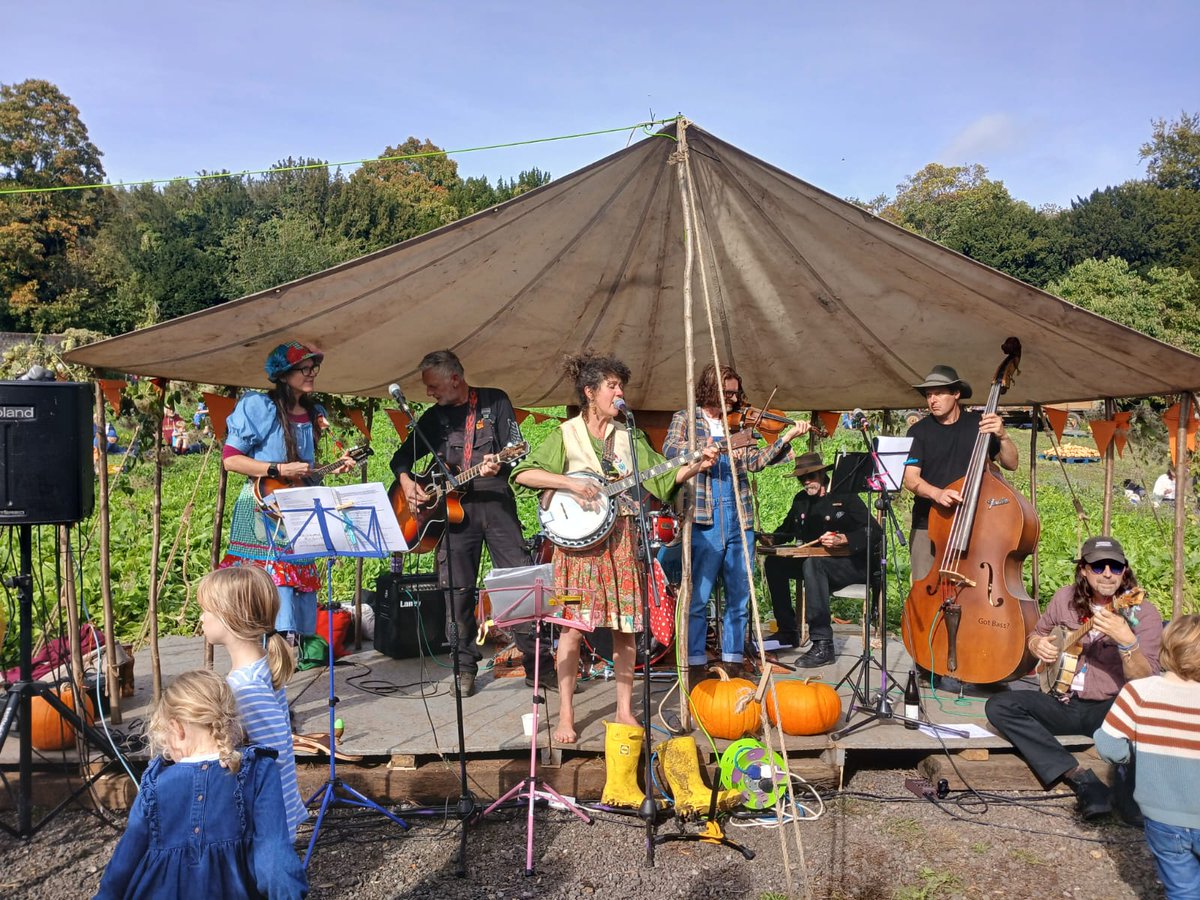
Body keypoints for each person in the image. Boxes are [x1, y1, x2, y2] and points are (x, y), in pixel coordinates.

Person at [512, 352, 719, 743]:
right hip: (575, 553)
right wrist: (570, 484)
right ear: (590, 392)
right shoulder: (566, 433)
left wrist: (695, 464)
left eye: (620, 386)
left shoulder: (630, 435)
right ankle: (567, 716)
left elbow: (662, 479)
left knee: (627, 629)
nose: (619, 392)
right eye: (612, 386)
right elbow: (524, 473)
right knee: (572, 630)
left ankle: (624, 709)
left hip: (623, 542)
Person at [389, 349, 552, 698]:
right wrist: (407, 483)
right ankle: (464, 667)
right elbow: (401, 458)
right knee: (456, 590)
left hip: (494, 503)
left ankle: (539, 664)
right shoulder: (434, 419)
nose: (430, 393)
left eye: (433, 386)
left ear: (455, 379)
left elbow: (515, 448)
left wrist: (500, 463)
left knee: (518, 580)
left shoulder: (495, 402)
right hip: (452, 513)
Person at [985, 536, 1163, 821]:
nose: (1107, 573)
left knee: (1143, 719)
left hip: (1109, 708)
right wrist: (1036, 645)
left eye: (1115, 568)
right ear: (1084, 569)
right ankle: (1080, 777)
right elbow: (1037, 634)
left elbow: (1146, 679)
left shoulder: (1143, 613)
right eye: (1098, 566)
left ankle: (1130, 796)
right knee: (998, 706)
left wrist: (1127, 642)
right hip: (1064, 702)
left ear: (1125, 571)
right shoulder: (1064, 599)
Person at [94, 669, 307, 899]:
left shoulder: (155, 782)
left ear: (177, 728)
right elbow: (274, 860)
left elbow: (124, 861)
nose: (167, 750)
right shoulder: (258, 770)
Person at [662, 363, 808, 681]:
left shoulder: (739, 423)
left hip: (739, 516)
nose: (732, 398)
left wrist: (785, 439)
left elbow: (756, 462)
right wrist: (702, 450)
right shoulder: (685, 418)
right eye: (726, 392)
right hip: (703, 517)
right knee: (698, 596)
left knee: (739, 595)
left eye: (735, 392)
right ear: (709, 390)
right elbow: (669, 449)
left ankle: (732, 660)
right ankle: (696, 665)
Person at [219, 341, 354, 644]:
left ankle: (284, 667)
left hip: (297, 509)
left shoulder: (312, 413)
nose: (311, 373)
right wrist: (278, 470)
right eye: (303, 368)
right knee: (267, 595)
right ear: (283, 373)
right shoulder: (258, 406)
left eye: (313, 367)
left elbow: (303, 469)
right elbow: (231, 459)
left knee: (294, 597)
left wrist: (331, 468)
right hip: (262, 510)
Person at [1095, 614, 1200, 898]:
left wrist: (1134, 758)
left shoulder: (1140, 691)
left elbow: (1107, 745)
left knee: (1183, 889)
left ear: (1166, 649)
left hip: (1162, 815)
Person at [198, 566, 307, 841]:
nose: (201, 618)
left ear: (229, 618)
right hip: (271, 814)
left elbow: (275, 756)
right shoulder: (260, 666)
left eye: (206, 611)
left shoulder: (245, 688)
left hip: (265, 821)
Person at [902, 364, 1019, 582]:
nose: (932, 400)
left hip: (974, 523)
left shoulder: (978, 424)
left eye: (938, 394)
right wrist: (937, 494)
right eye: (928, 395)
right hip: (927, 524)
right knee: (924, 586)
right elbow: (911, 479)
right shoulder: (918, 431)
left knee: (971, 590)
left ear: (956, 394)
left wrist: (1003, 436)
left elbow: (1011, 464)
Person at [761, 452, 871, 667]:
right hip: (816, 563)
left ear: (822, 473)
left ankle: (823, 643)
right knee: (774, 563)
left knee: (813, 564)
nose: (806, 481)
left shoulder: (845, 496)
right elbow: (787, 530)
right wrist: (771, 538)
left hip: (850, 564)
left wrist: (844, 539)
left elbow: (872, 531)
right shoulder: (801, 500)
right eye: (802, 478)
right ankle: (787, 631)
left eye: (810, 476)